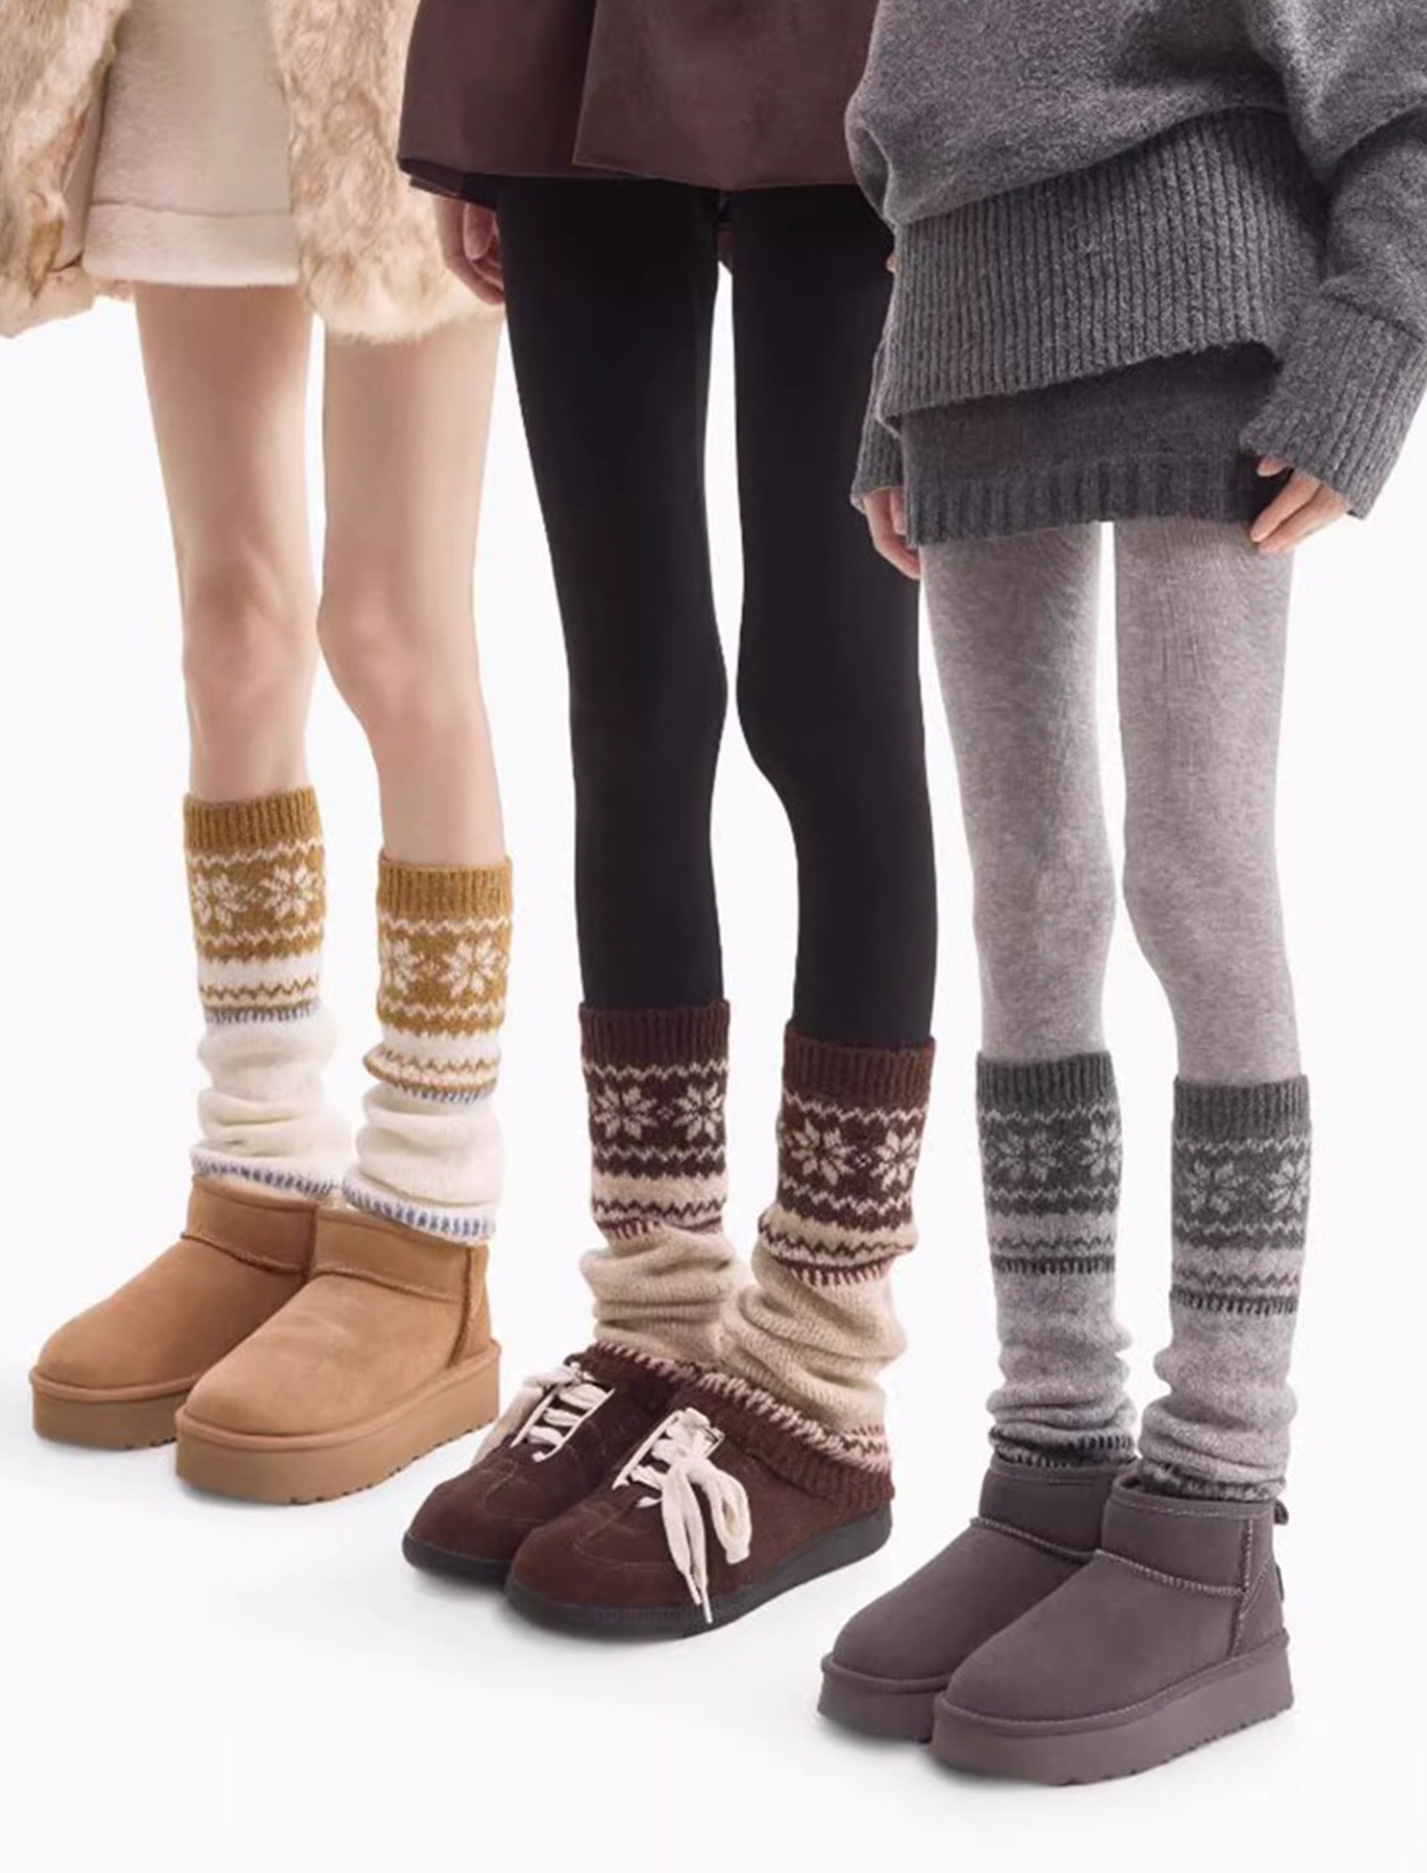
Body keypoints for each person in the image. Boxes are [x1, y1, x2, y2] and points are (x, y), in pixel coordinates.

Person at [820, 0, 1427, 1781]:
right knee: (1025, 901)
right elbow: (921, 133)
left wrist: (1371, 352)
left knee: (1196, 879)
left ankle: (1218, 1504)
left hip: (1206, 317)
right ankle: (1056, 1457)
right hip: (966, 345)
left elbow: (1403, 88)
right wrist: (890, 402)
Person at [396, 0, 939, 1634]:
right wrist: (487, 84)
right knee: (630, 699)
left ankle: (819, 1374)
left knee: (825, 693)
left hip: (856, 52)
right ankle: (657, 1322)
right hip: (576, 45)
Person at [0, 0, 511, 1501]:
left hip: (406, 57)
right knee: (230, 632)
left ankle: (426, 1218)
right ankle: (261, 1171)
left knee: (392, 632)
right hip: (185, 41)